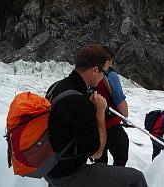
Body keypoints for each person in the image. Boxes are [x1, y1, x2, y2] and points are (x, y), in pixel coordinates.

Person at [44, 44, 148, 187]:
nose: (104, 76)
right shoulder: (80, 102)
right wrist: (99, 111)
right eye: (104, 72)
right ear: (94, 70)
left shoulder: (56, 87)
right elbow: (96, 153)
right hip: (70, 174)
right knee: (136, 178)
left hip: (51, 167)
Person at [95, 46, 129, 166]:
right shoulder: (111, 75)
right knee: (121, 154)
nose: (112, 64)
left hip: (95, 125)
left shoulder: (90, 74)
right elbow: (119, 100)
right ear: (108, 59)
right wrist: (125, 118)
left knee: (100, 159)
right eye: (111, 60)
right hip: (111, 125)